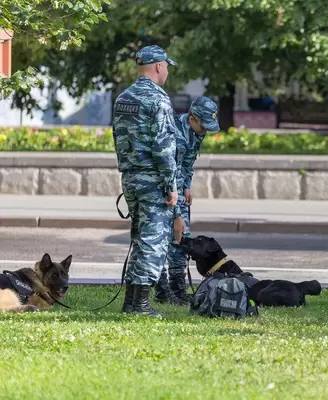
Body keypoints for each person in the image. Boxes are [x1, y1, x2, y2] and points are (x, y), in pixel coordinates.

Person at [112, 45, 179, 318]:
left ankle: (131, 303)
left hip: (130, 178)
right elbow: (163, 148)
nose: (167, 72)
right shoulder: (158, 100)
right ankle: (139, 306)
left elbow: (119, 139)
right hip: (152, 180)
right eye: (167, 67)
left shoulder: (123, 98)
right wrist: (171, 185)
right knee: (153, 242)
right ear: (159, 66)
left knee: (140, 239)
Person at [153, 96, 220, 305]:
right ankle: (162, 291)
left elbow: (187, 164)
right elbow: (168, 171)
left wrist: (187, 186)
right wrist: (176, 214)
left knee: (183, 240)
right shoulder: (173, 132)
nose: (206, 131)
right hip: (164, 190)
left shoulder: (197, 132)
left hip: (179, 190)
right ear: (192, 118)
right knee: (164, 240)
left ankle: (178, 290)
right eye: (203, 126)